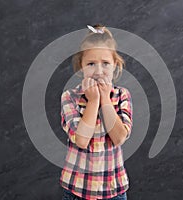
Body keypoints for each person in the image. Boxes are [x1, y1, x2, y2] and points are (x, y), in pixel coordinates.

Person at [60, 24, 133, 200]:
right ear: (81, 66)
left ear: (115, 65)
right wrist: (93, 101)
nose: (99, 71)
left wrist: (105, 100)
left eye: (105, 63)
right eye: (91, 64)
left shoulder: (122, 95)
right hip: (77, 189)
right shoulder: (70, 97)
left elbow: (119, 137)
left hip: (113, 190)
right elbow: (82, 140)